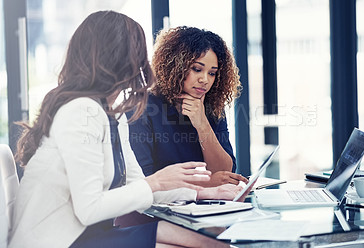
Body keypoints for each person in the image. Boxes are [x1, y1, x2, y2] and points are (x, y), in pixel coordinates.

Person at [9, 11, 244, 248]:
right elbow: (89, 210)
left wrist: (202, 194)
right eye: (137, 52)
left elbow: (136, 186)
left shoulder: (112, 112)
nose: (144, 63)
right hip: (58, 240)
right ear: (113, 57)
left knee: (211, 241)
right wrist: (158, 182)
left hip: (88, 234)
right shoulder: (80, 112)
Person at [127, 26, 248, 187]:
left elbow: (226, 172)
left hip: (207, 206)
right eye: (197, 69)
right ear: (175, 66)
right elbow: (144, 180)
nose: (204, 79)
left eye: (212, 73)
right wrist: (206, 183)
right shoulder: (141, 107)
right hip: (159, 210)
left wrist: (202, 124)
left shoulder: (211, 107)